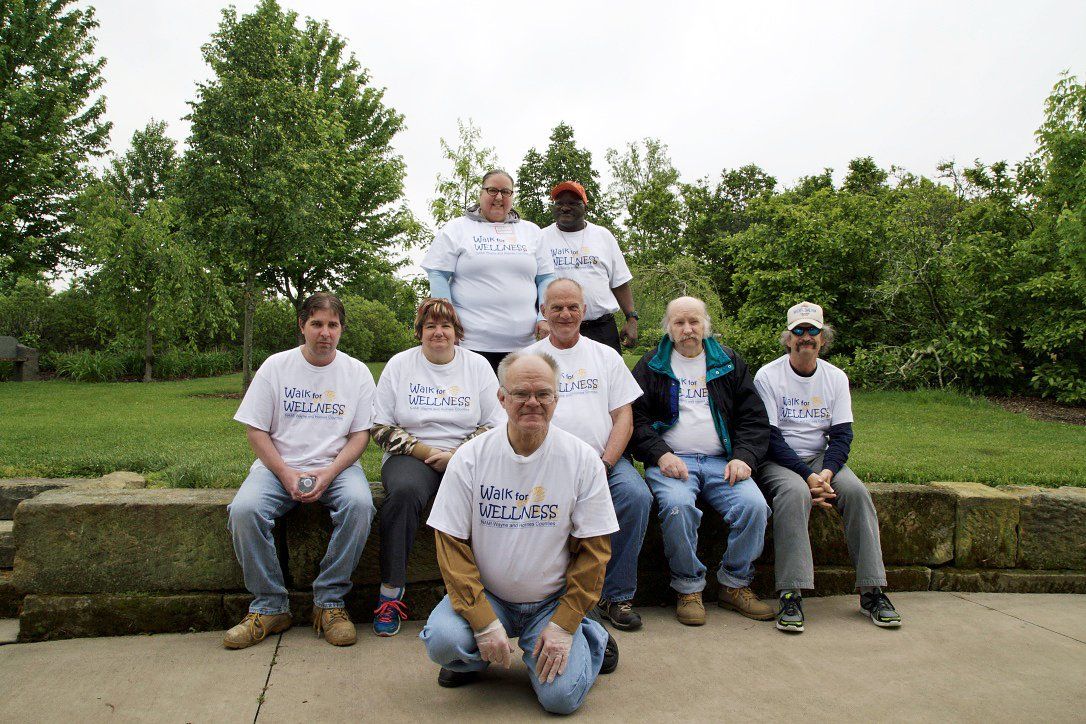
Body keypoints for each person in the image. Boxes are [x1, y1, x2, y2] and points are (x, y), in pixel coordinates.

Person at [420, 352, 619, 715]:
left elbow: (595, 551)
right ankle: (479, 655)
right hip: (490, 594)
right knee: (444, 642)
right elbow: (450, 544)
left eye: (543, 394)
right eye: (520, 394)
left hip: (551, 601)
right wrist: (482, 620)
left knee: (560, 699)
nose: (532, 403)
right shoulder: (470, 457)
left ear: (556, 398)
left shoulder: (582, 459)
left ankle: (588, 635)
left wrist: (564, 624)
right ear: (502, 398)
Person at [225, 292, 376, 649]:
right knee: (244, 510)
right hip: (278, 465)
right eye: (317, 324)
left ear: (341, 329)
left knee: (360, 506)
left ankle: (329, 603)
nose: (325, 333)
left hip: (337, 467)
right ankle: (270, 607)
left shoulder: (356, 372)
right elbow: (256, 431)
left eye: (333, 325)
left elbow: (360, 436)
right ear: (302, 326)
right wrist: (284, 473)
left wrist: (330, 473)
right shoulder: (276, 366)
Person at [754, 301, 902, 632]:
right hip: (780, 460)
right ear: (788, 338)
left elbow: (842, 435)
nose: (806, 337)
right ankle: (791, 593)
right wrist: (808, 477)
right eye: (799, 331)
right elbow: (770, 438)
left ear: (823, 337)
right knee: (794, 495)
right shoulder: (768, 376)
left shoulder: (835, 377)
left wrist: (825, 474)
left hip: (822, 461)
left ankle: (872, 591)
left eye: (813, 331)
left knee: (857, 493)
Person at [628, 297, 774, 626]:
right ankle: (688, 588)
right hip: (672, 462)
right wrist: (660, 454)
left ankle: (735, 584)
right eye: (679, 323)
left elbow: (753, 419)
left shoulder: (728, 362)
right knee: (677, 507)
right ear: (668, 328)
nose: (687, 329)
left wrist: (743, 457)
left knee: (754, 507)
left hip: (722, 462)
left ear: (706, 324)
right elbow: (635, 419)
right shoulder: (651, 365)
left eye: (694, 321)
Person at [369, 298, 505, 636]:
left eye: (445, 326)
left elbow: (496, 423)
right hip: (411, 456)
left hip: (468, 455)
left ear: (457, 332)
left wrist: (457, 454)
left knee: (489, 497)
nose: (438, 332)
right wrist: (427, 451)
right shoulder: (400, 365)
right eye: (430, 326)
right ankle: (390, 595)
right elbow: (380, 427)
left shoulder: (476, 366)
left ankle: (491, 595)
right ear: (419, 332)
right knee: (404, 494)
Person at [522, 278, 650, 631]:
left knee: (636, 496)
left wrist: (606, 463)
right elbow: (516, 418)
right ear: (544, 311)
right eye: (557, 307)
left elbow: (624, 417)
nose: (565, 314)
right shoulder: (528, 359)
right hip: (544, 463)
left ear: (584, 310)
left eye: (572, 307)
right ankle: (551, 595)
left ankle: (615, 594)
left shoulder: (606, 356)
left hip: (603, 460)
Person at [422, 169, 556, 371]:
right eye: (492, 190)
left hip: (524, 345)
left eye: (506, 192)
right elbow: (438, 275)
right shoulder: (457, 228)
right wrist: (447, 322)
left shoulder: (531, 231)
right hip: (471, 344)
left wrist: (543, 317)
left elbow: (545, 278)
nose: (499, 197)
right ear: (481, 193)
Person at [540, 181, 639, 353]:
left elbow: (619, 282)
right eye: (559, 203)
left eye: (573, 203)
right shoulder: (541, 238)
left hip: (601, 328)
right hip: (559, 327)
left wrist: (631, 318)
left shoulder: (603, 236)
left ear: (585, 206)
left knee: (608, 370)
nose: (565, 208)